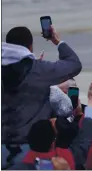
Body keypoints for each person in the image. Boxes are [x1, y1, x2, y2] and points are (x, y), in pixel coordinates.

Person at [1, 26, 82, 169]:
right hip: (31, 150)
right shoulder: (40, 70)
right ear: (30, 47)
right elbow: (74, 64)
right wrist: (57, 41)